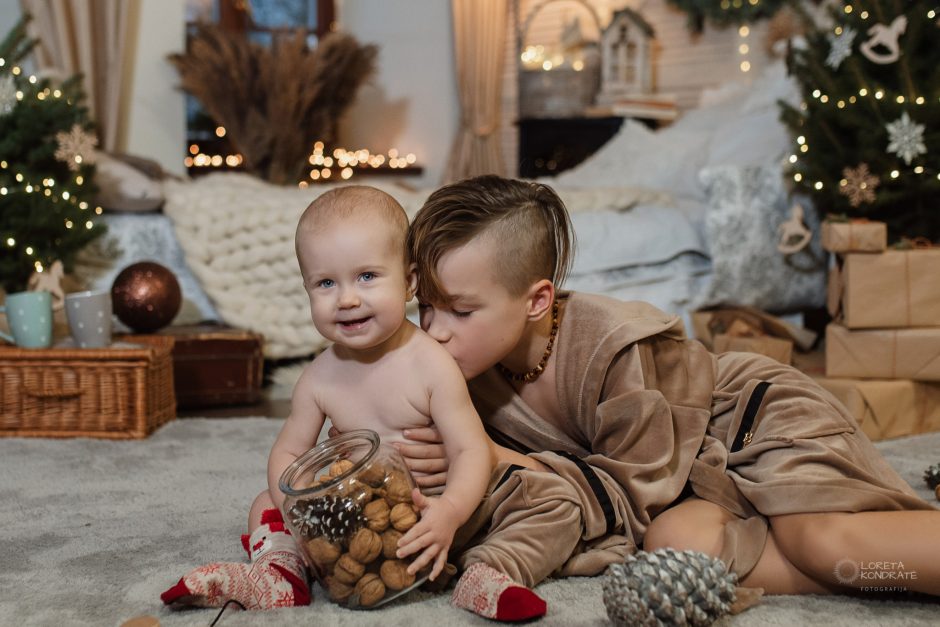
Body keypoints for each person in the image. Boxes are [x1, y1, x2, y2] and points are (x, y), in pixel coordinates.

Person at [403, 174, 940, 597]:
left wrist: (496, 458)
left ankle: (864, 556)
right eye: (426, 305)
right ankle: (867, 571)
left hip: (748, 420)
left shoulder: (612, 345)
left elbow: (635, 488)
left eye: (461, 310)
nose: (435, 330)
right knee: (676, 554)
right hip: (685, 484)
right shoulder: (459, 368)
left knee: (818, 542)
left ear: (537, 300)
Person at [161, 185, 554, 621]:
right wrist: (300, 518)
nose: (347, 299)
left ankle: (485, 573)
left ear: (408, 281)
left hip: (427, 506)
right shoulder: (317, 378)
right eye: (325, 283)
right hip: (347, 511)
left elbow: (469, 448)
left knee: (512, 502)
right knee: (264, 504)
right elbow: (289, 453)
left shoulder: (432, 363)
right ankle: (280, 573)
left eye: (367, 276)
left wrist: (449, 512)